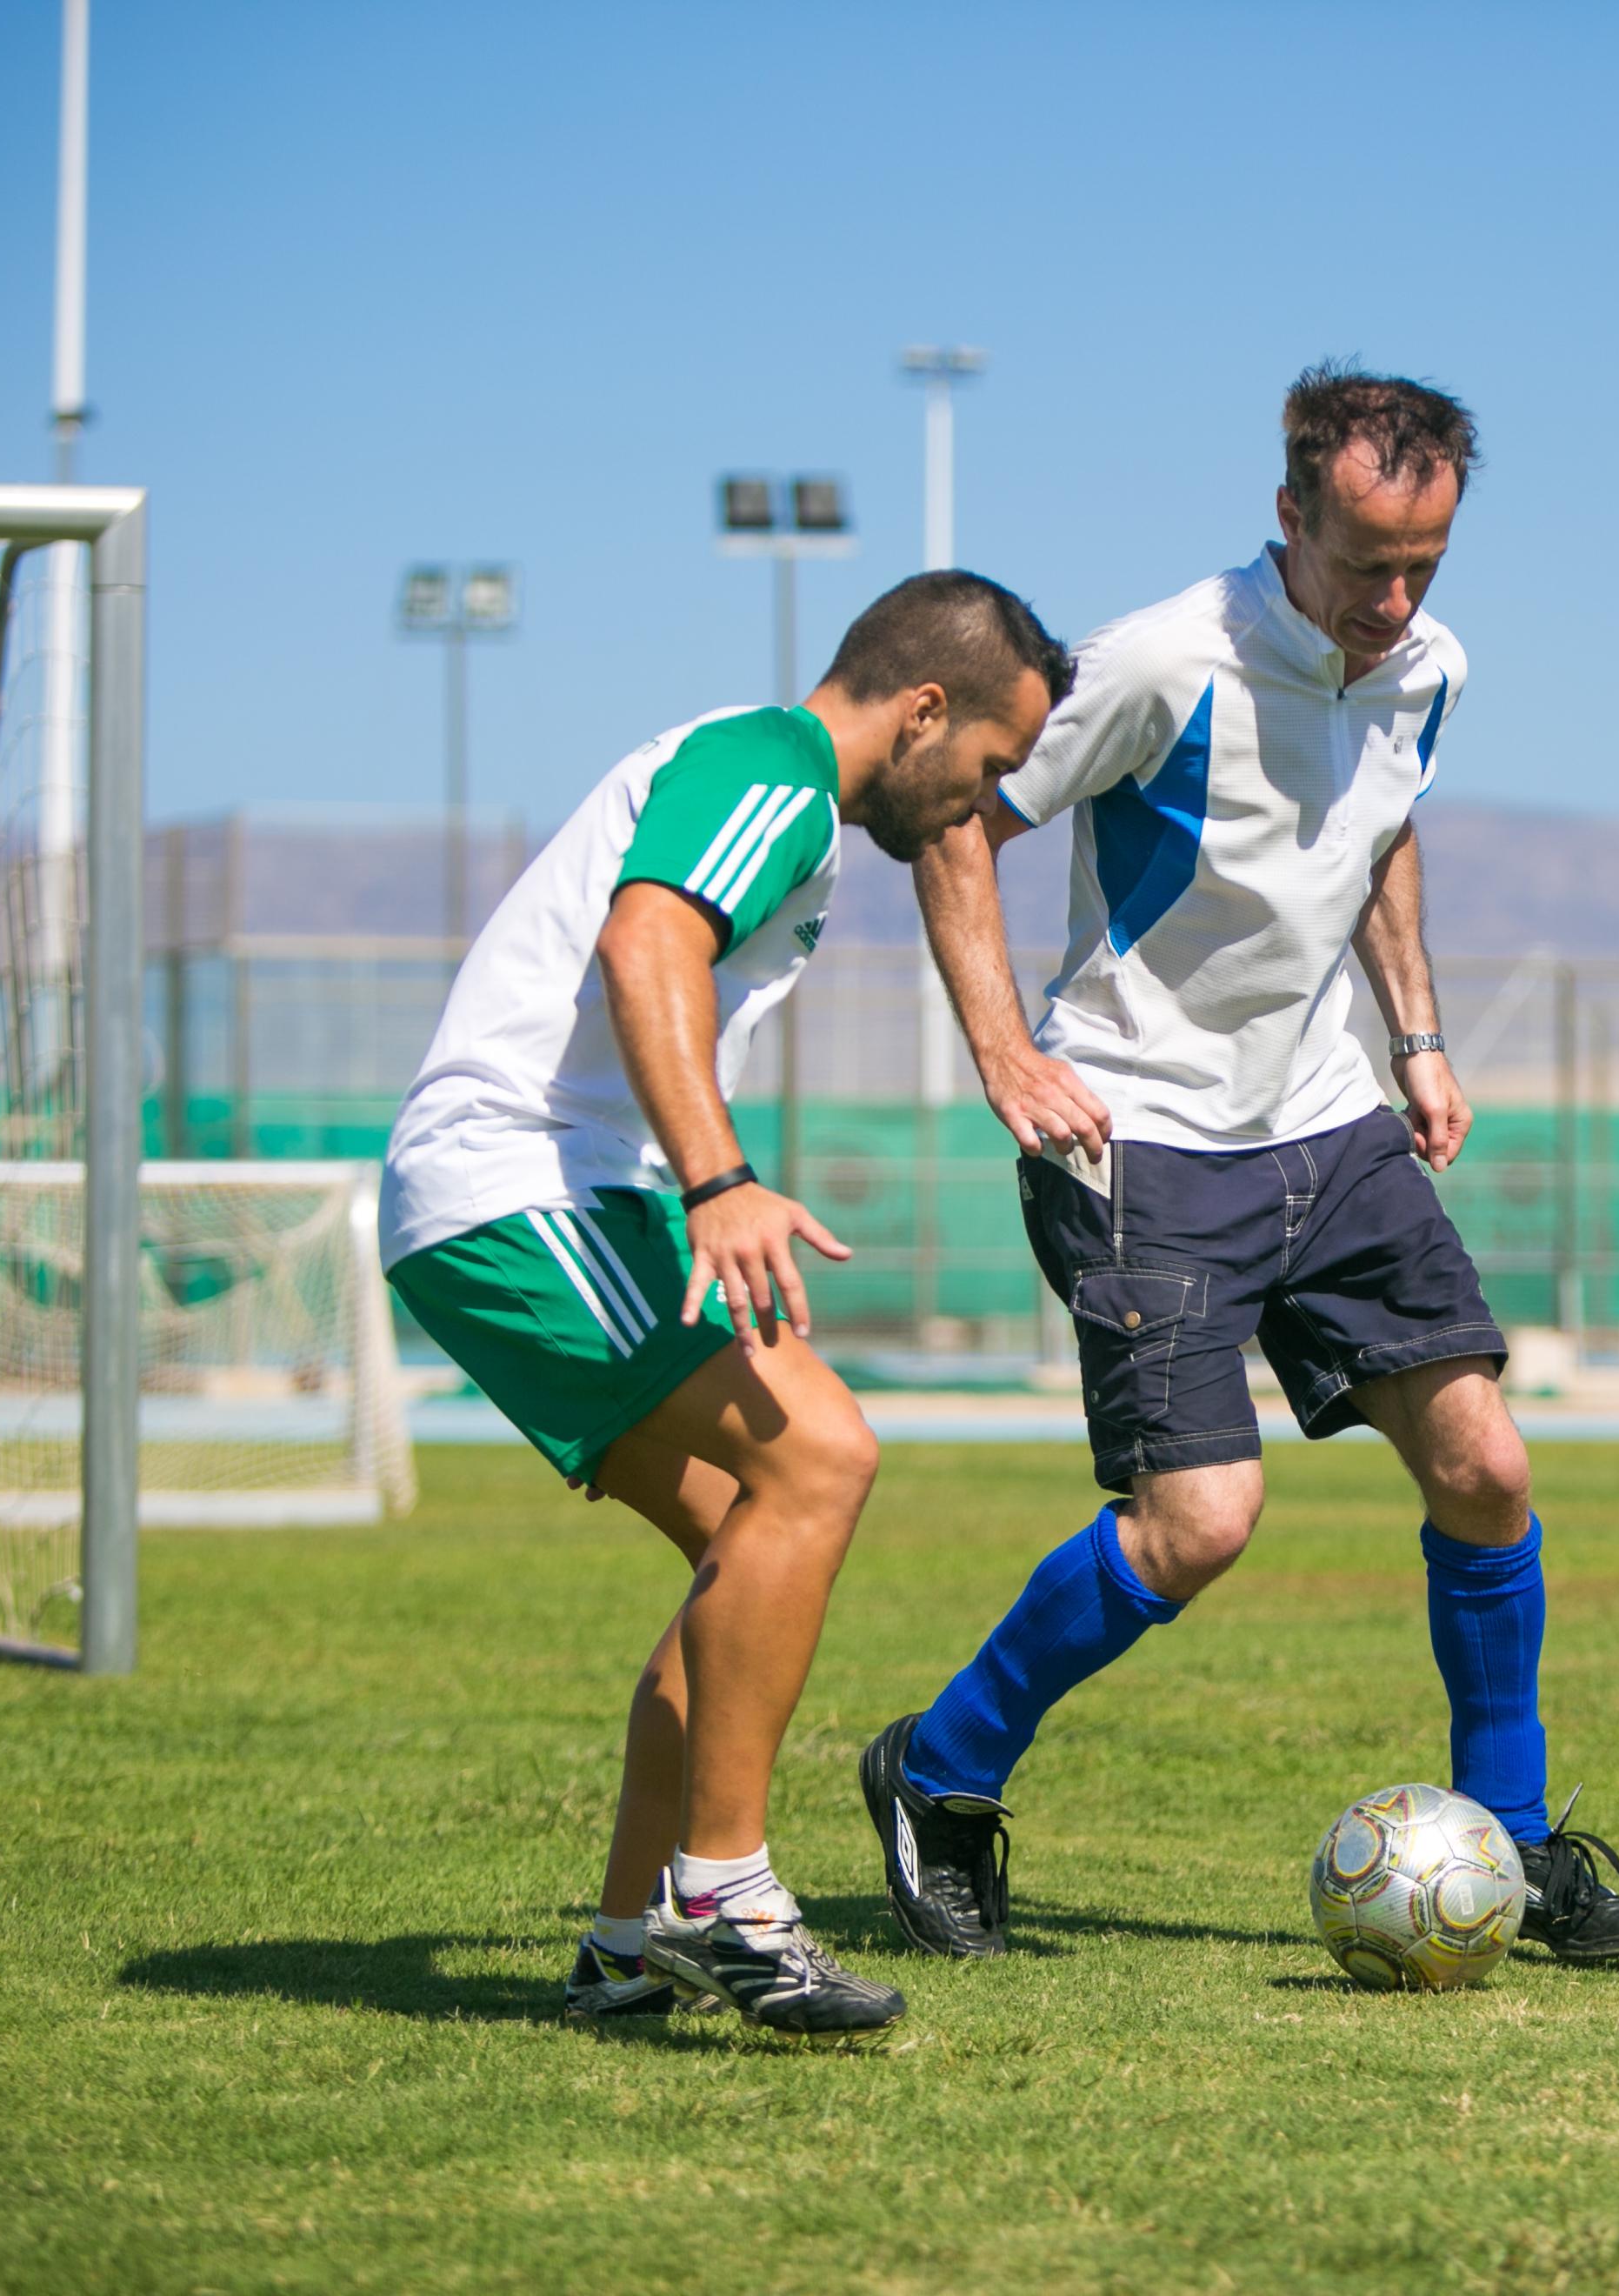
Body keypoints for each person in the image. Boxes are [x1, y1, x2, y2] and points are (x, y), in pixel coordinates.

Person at [856, 365, 1619, 1966]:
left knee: (1488, 1469)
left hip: (1327, 1117)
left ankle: (1507, 1843)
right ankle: (937, 1775)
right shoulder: (1166, 661)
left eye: (1425, 563)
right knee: (1201, 1522)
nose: (1395, 598)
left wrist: (1417, 1034)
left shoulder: (1425, 666)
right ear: (1289, 514)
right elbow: (955, 817)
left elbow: (1378, 826)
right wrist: (1006, 1051)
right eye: (1367, 560)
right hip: (1139, 1136)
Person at [379, 572, 1071, 2032]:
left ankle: (628, 1945)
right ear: (924, 709)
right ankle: (727, 1895)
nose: (977, 809)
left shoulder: (777, 792)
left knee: (740, 1554)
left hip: (554, 1196)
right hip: (523, 1189)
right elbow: (648, 942)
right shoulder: (776, 773)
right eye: (992, 770)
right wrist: (718, 1181)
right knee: (821, 1455)